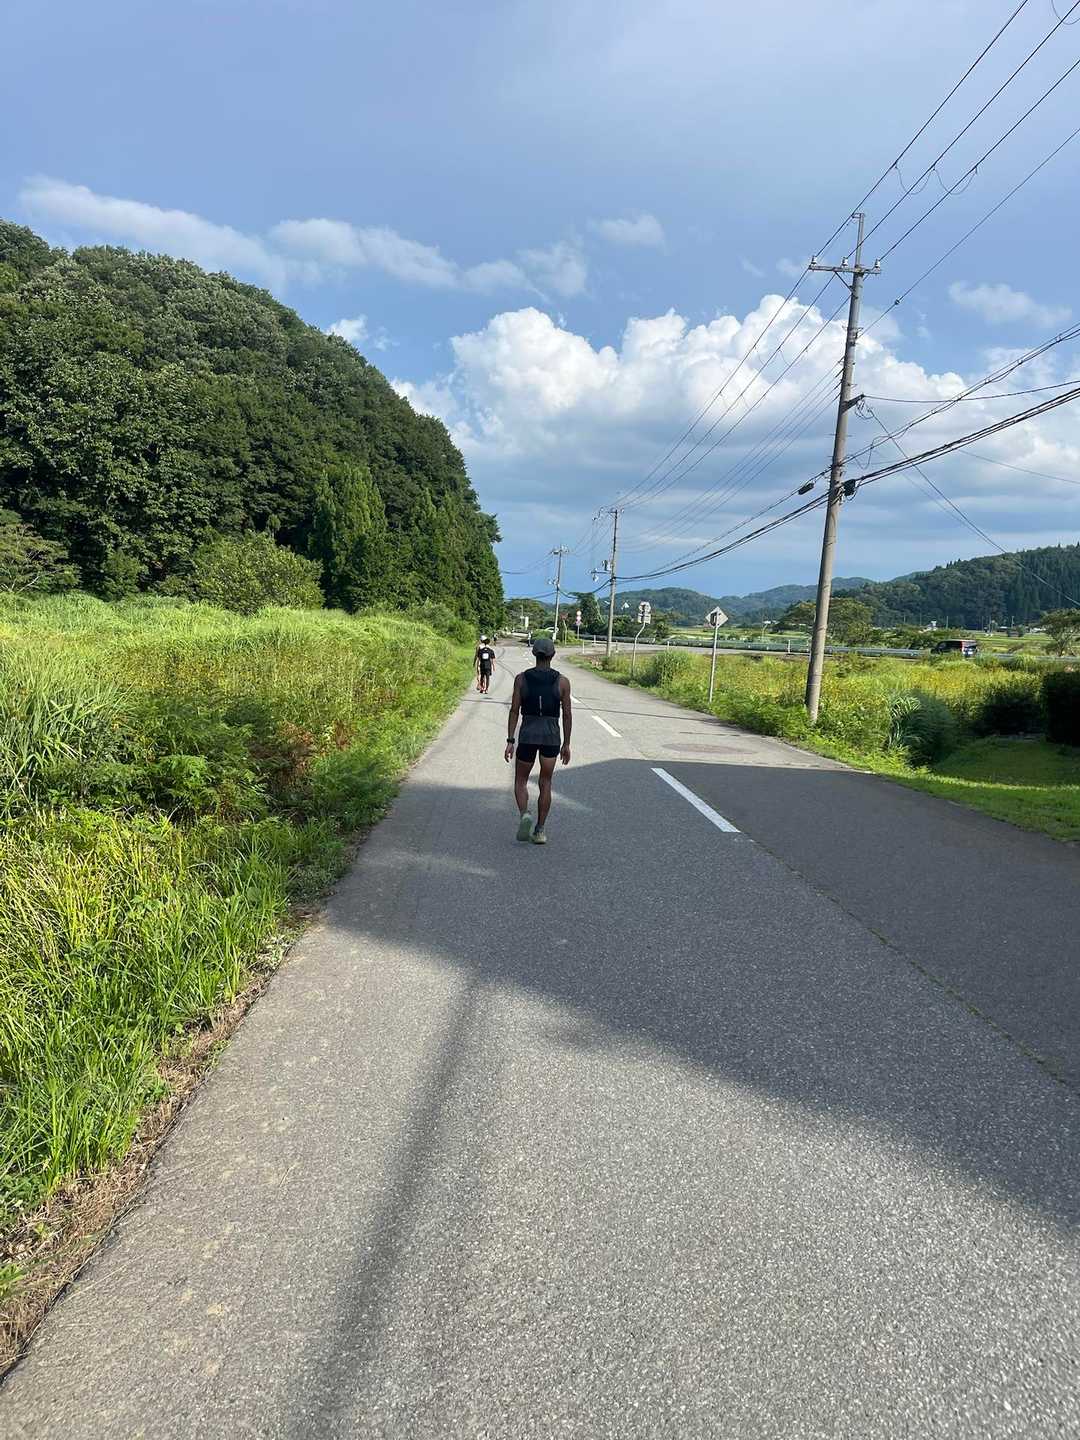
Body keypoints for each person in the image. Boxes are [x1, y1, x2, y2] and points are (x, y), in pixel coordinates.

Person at [504, 636, 572, 845]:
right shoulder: (562, 682)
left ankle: (525, 813)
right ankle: (540, 830)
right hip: (551, 736)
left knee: (521, 781)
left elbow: (514, 710)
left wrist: (510, 740)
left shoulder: (521, 679)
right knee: (545, 782)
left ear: (534, 654)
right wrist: (566, 744)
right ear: (553, 655)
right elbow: (567, 715)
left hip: (528, 735)